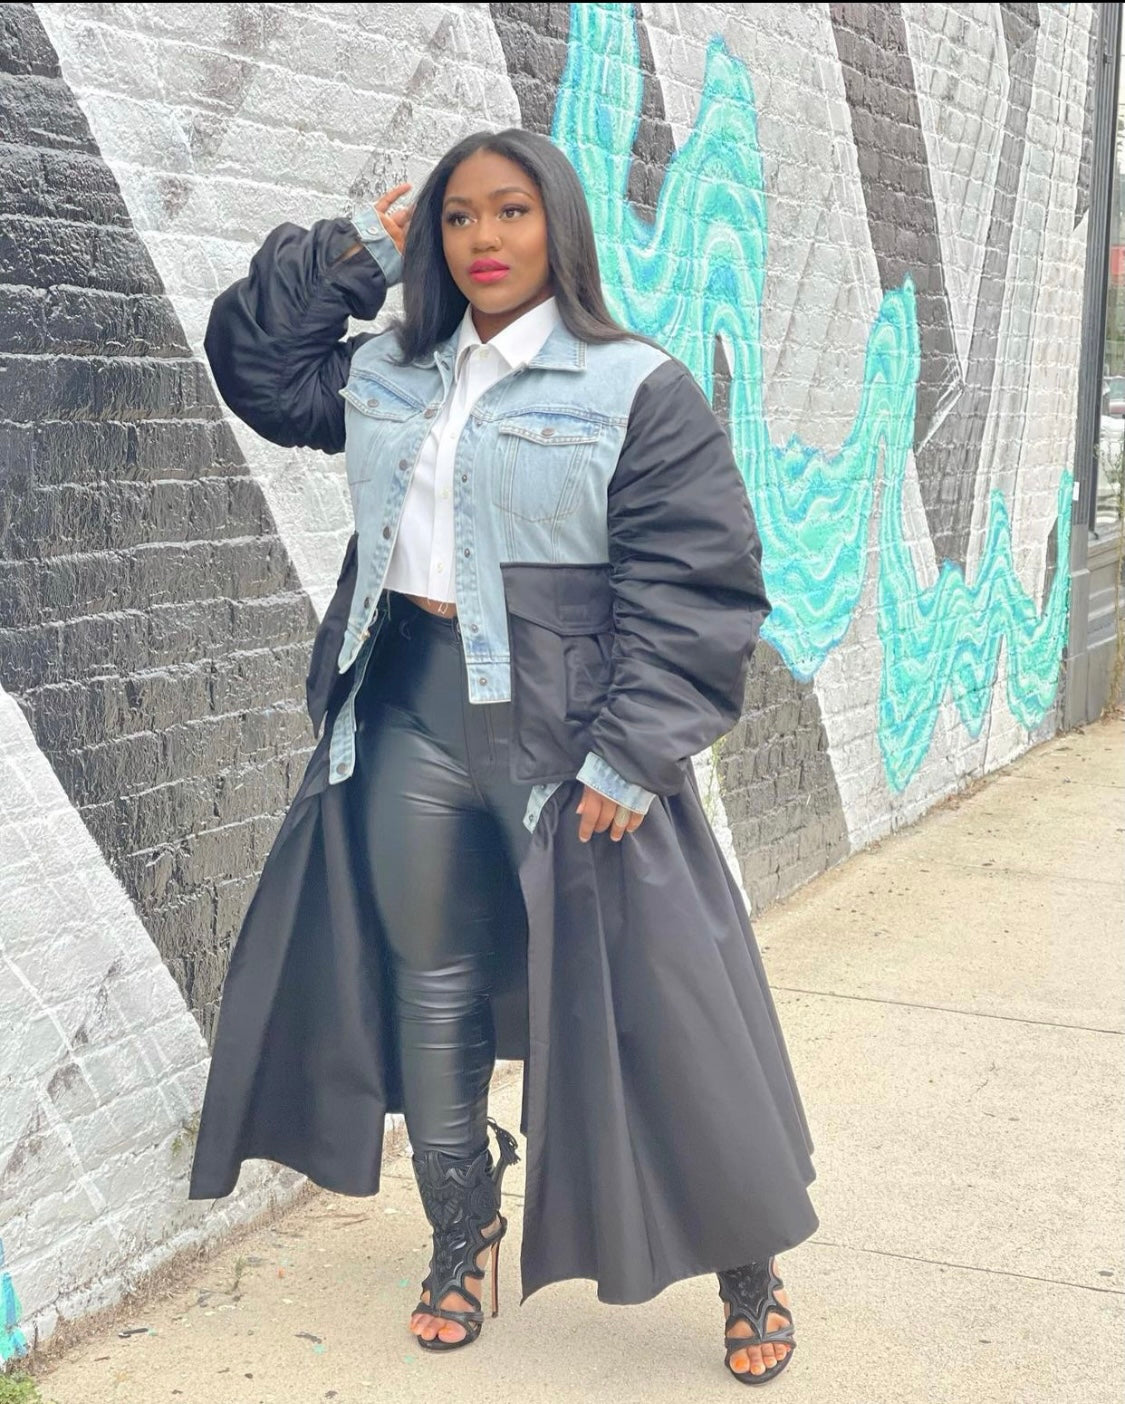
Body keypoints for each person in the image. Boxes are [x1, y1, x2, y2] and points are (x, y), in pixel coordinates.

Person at [190, 127, 818, 1386]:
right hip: (409, 713)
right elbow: (258, 363)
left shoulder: (634, 386)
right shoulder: (390, 371)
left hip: (573, 734)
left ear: (558, 226)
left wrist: (633, 754)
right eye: (460, 215)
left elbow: (696, 583)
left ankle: (747, 1261)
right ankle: (461, 1229)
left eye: (512, 211)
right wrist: (365, 253)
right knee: (433, 985)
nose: (484, 238)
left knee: (660, 1001)